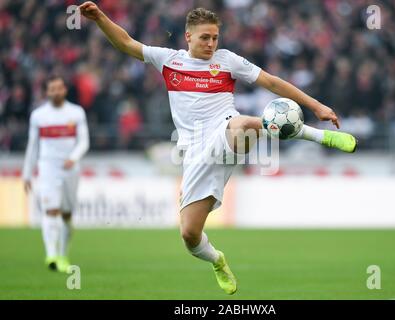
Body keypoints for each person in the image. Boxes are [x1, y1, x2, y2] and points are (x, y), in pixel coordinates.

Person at [79, 2, 357, 294]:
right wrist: (99, 17)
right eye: (204, 38)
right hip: (195, 151)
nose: (211, 43)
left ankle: (320, 137)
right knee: (189, 234)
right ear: (188, 37)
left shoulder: (227, 60)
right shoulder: (169, 60)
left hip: (225, 128)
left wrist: (316, 105)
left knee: (245, 124)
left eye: (214, 37)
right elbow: (125, 43)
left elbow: (272, 82)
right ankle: (217, 260)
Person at [22, 76, 89, 273]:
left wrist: (74, 157)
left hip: (70, 170)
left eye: (59, 88)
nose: (56, 92)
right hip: (48, 169)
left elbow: (84, 141)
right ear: (47, 92)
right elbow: (33, 147)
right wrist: (27, 173)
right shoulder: (38, 116)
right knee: (51, 210)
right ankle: (51, 255)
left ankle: (62, 254)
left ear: (64, 90)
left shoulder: (76, 113)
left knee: (67, 215)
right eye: (52, 89)